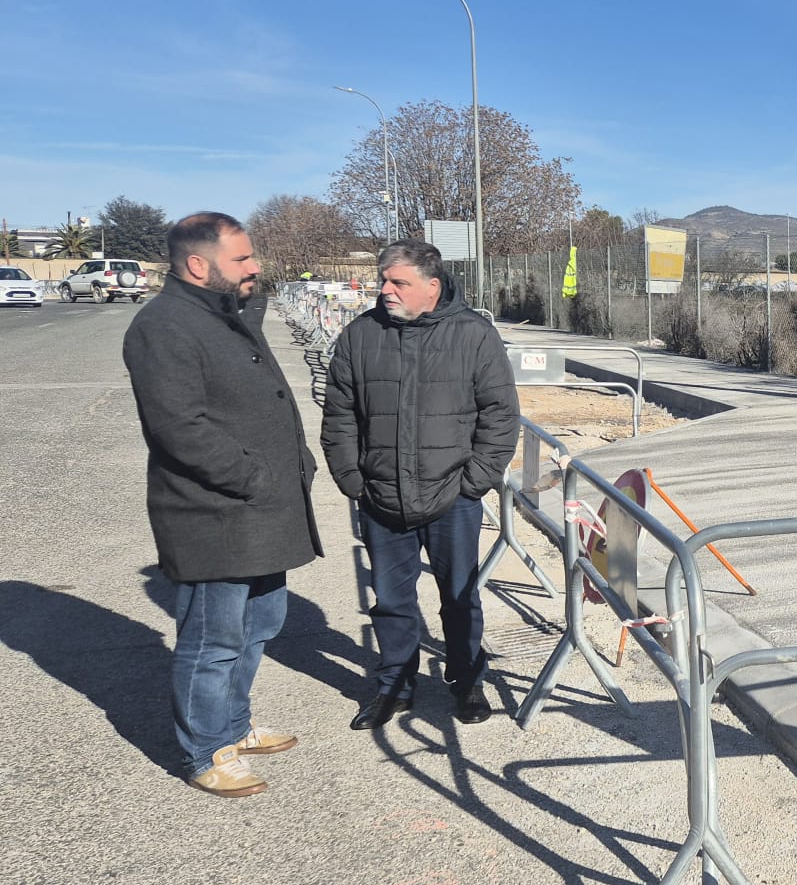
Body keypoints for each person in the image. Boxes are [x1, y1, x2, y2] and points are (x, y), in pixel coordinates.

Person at [123, 212, 321, 797]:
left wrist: (291, 468)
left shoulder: (219, 313)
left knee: (261, 622)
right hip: (215, 511)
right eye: (241, 260)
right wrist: (253, 476)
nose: (255, 266)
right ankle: (206, 750)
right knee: (213, 640)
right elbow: (178, 427)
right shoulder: (164, 326)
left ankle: (234, 726)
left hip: (260, 508)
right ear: (196, 265)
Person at [321, 240, 518, 728]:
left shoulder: (473, 335)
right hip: (381, 497)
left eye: (398, 282)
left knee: (460, 595)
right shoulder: (359, 336)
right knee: (391, 601)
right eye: (383, 280)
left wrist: (474, 482)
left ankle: (467, 680)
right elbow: (340, 415)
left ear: (431, 287)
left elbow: (500, 414)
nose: (385, 290)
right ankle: (394, 685)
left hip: (452, 497)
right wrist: (351, 477)